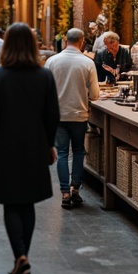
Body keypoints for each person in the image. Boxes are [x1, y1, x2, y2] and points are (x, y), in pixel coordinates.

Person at [0, 23, 59, 274]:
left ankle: (20, 256)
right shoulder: (44, 76)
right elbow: (52, 116)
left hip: (6, 146)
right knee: (29, 202)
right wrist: (49, 145)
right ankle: (23, 255)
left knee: (11, 202)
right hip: (35, 145)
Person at [45, 27, 100, 208]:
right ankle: (75, 189)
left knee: (61, 153)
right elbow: (95, 95)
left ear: (65, 40)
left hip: (58, 114)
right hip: (79, 114)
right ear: (82, 41)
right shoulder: (87, 62)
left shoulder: (52, 61)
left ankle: (65, 193)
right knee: (78, 151)